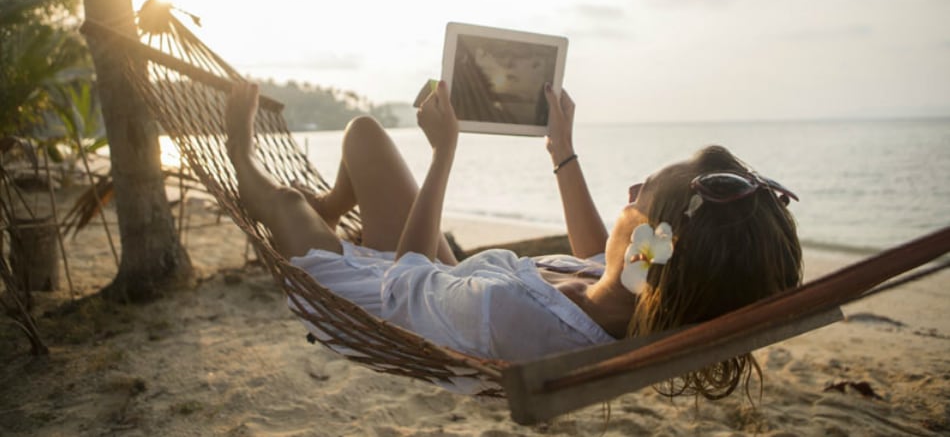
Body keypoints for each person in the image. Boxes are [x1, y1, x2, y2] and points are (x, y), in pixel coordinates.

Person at [224, 81, 801, 398]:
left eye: (637, 193)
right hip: (441, 282)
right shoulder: (630, 293)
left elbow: (403, 285)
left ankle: (241, 154)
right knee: (365, 133)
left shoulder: (512, 313)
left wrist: (443, 152)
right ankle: (328, 215)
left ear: (648, 247)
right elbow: (599, 253)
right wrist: (561, 149)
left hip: (364, 299)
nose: (628, 195)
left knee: (286, 202)